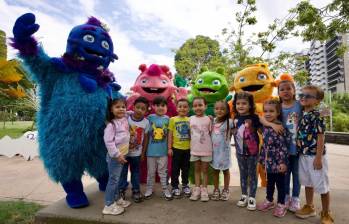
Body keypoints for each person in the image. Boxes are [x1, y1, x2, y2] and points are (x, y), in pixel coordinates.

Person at [295, 85, 334, 224]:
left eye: (308, 96)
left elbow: (321, 137)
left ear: (317, 101)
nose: (303, 98)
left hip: (315, 156)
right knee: (307, 182)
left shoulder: (318, 115)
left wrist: (318, 158)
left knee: (322, 185)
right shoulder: (301, 113)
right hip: (303, 155)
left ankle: (326, 211)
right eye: (302, 95)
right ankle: (310, 206)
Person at [257, 99, 289, 217]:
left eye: (271, 111)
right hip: (268, 163)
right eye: (265, 111)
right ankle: (269, 201)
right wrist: (261, 160)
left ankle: (281, 204)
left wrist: (283, 163)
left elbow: (283, 147)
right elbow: (264, 145)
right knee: (269, 183)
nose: (268, 113)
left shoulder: (279, 127)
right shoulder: (266, 126)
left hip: (279, 163)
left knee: (280, 185)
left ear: (278, 112)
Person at [232, 91, 261, 211]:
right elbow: (233, 131)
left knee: (252, 175)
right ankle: (244, 195)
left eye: (244, 103)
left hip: (253, 153)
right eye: (238, 103)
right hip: (240, 152)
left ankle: (252, 197)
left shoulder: (255, 117)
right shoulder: (236, 117)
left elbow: (262, 129)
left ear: (250, 105)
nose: (241, 106)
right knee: (243, 174)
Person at [103, 98, 131, 215]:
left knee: (118, 179)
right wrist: (117, 155)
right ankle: (108, 205)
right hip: (115, 157)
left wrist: (130, 112)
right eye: (117, 107)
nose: (121, 109)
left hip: (122, 155)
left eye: (123, 107)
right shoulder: (111, 125)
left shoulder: (124, 119)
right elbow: (108, 142)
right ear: (111, 109)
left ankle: (117, 199)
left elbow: (129, 113)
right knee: (113, 180)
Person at [119, 97, 150, 203]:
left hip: (137, 153)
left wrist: (143, 153)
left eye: (143, 109)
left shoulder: (146, 122)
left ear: (146, 111)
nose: (139, 110)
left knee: (135, 172)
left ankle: (136, 191)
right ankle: (121, 190)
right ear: (133, 107)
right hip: (124, 152)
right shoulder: (126, 116)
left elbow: (146, 139)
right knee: (122, 172)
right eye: (137, 107)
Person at [144, 96, 173, 200]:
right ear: (153, 106)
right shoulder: (149, 118)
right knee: (150, 172)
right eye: (158, 105)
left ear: (166, 107)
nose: (161, 107)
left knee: (163, 172)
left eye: (163, 105)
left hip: (163, 152)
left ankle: (165, 189)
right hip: (150, 152)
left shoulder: (169, 119)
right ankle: (149, 189)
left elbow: (171, 134)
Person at [189, 97, 212, 202]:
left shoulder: (209, 119)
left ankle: (204, 190)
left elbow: (211, 134)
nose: (198, 107)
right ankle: (197, 189)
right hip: (194, 150)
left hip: (206, 149)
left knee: (205, 171)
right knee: (196, 170)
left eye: (200, 105)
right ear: (192, 107)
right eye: (195, 106)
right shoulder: (191, 119)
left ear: (205, 106)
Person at [210, 100, 234, 201]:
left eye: (222, 109)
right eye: (217, 108)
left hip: (224, 152)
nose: (219, 111)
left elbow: (235, 132)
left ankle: (226, 190)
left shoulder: (230, 122)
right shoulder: (213, 121)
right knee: (215, 171)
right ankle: (216, 189)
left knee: (225, 171)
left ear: (227, 110)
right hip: (214, 152)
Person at [168, 98, 191, 198]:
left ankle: (185, 184)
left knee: (186, 169)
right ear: (177, 108)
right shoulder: (173, 119)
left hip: (188, 149)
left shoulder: (190, 120)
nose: (182, 108)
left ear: (188, 109)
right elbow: (170, 134)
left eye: (185, 107)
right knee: (175, 169)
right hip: (176, 149)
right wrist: (169, 148)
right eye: (180, 106)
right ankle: (175, 186)